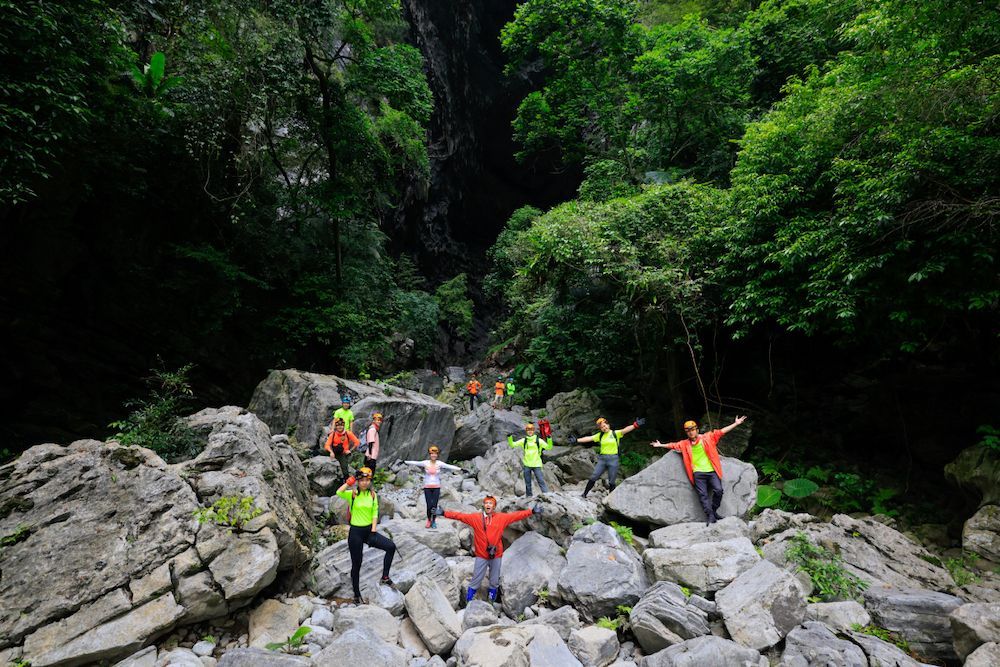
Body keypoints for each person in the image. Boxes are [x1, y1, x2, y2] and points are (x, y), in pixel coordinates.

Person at [435, 496, 540, 602]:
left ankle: (491, 602)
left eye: (491, 503)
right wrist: (443, 513)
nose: (488, 505)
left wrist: (532, 511)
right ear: (483, 505)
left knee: (494, 581)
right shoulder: (475, 518)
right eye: (486, 503)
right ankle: (469, 601)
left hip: (496, 554)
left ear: (494, 506)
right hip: (481, 555)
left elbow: (517, 515)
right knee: (476, 579)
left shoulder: (501, 518)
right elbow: (459, 516)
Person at [652, 416, 748, 525]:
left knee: (719, 490)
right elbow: (673, 445)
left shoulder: (707, 438)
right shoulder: (685, 444)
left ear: (697, 430)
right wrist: (660, 445)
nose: (691, 433)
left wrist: (736, 423)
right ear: (686, 433)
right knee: (703, 495)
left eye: (693, 430)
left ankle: (714, 510)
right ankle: (710, 515)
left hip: (712, 471)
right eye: (688, 431)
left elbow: (721, 432)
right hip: (698, 473)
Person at [335, 467, 396, 604]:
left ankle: (385, 576)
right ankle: (356, 594)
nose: (364, 483)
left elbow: (375, 513)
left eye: (367, 480)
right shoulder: (353, 494)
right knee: (357, 564)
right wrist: (349, 482)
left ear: (370, 481)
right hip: (355, 533)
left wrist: (374, 530)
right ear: (358, 481)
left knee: (391, 546)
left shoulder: (373, 495)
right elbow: (338, 492)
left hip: (369, 532)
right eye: (361, 480)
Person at [570, 416, 646, 498]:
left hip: (613, 459)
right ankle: (584, 494)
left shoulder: (615, 433)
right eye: (602, 427)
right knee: (594, 476)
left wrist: (635, 425)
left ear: (608, 425)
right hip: (602, 460)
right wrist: (577, 440)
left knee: (612, 480)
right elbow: (589, 438)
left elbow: (625, 430)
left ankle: (611, 498)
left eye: (605, 425)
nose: (604, 427)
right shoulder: (600, 436)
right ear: (600, 429)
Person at [404, 445, 462, 528]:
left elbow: (449, 466)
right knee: (429, 505)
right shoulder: (425, 463)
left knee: (434, 505)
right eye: (432, 454)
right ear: (430, 454)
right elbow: (415, 462)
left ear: (437, 455)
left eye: (435, 454)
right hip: (427, 487)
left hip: (436, 487)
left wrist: (460, 469)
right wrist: (404, 462)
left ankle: (434, 521)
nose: (433, 455)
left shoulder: (439, 463)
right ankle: (428, 520)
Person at [508, 422, 552, 496]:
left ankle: (547, 496)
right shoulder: (524, 440)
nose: (530, 431)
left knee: (541, 481)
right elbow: (513, 444)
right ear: (526, 431)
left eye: (531, 430)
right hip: (527, 464)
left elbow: (549, 447)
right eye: (528, 430)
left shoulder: (538, 440)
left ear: (534, 430)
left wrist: (549, 438)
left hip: (537, 464)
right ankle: (529, 497)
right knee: (528, 483)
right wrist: (509, 437)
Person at [324, 417, 360, 484]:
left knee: (344, 468)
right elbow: (327, 445)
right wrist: (331, 452)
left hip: (342, 453)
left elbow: (357, 442)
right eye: (338, 425)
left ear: (343, 426)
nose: (339, 427)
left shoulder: (348, 433)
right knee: (321, 451)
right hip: (334, 452)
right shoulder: (333, 434)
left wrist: (350, 450)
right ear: (336, 426)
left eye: (341, 425)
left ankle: (347, 482)